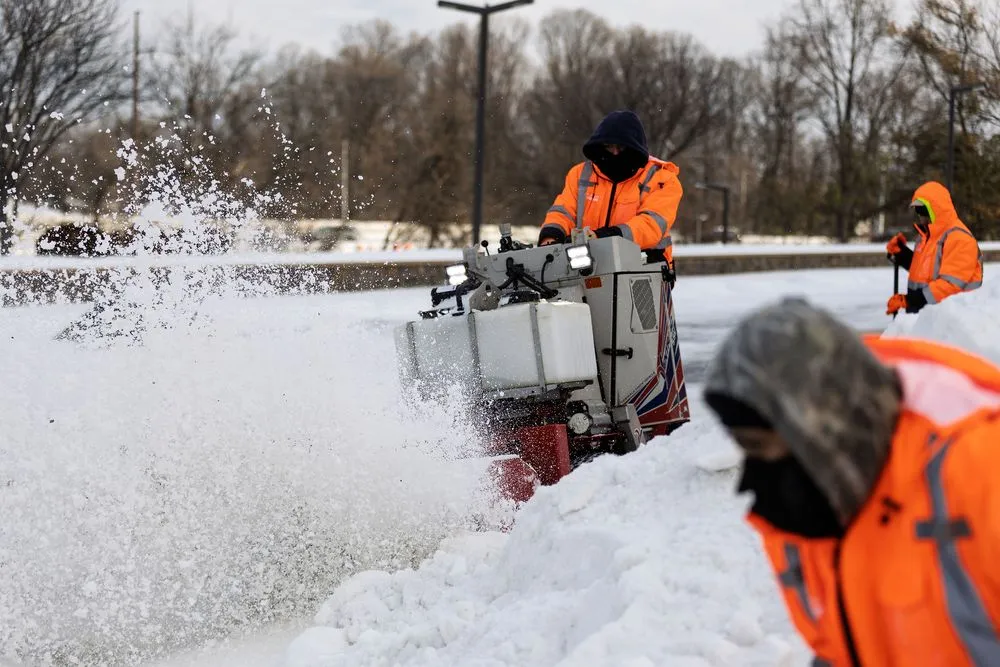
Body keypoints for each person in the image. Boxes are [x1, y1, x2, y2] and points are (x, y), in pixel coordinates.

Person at [701, 297, 1000, 667]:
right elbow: (842, 646)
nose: (751, 479)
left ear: (817, 427)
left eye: (760, 447)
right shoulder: (806, 513)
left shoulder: (981, 475)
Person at [538, 110, 683, 261]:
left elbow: (651, 225)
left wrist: (606, 238)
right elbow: (563, 211)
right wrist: (550, 237)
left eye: (621, 148)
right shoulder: (580, 174)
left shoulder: (662, 179)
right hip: (585, 264)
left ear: (635, 148)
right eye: (608, 146)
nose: (614, 153)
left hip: (645, 265)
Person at [885, 180, 983, 315]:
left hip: (952, 319)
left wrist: (910, 300)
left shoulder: (959, 238)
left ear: (936, 209)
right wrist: (902, 254)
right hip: (927, 315)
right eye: (918, 211)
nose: (920, 217)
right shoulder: (927, 237)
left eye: (923, 211)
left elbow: (950, 285)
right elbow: (925, 271)